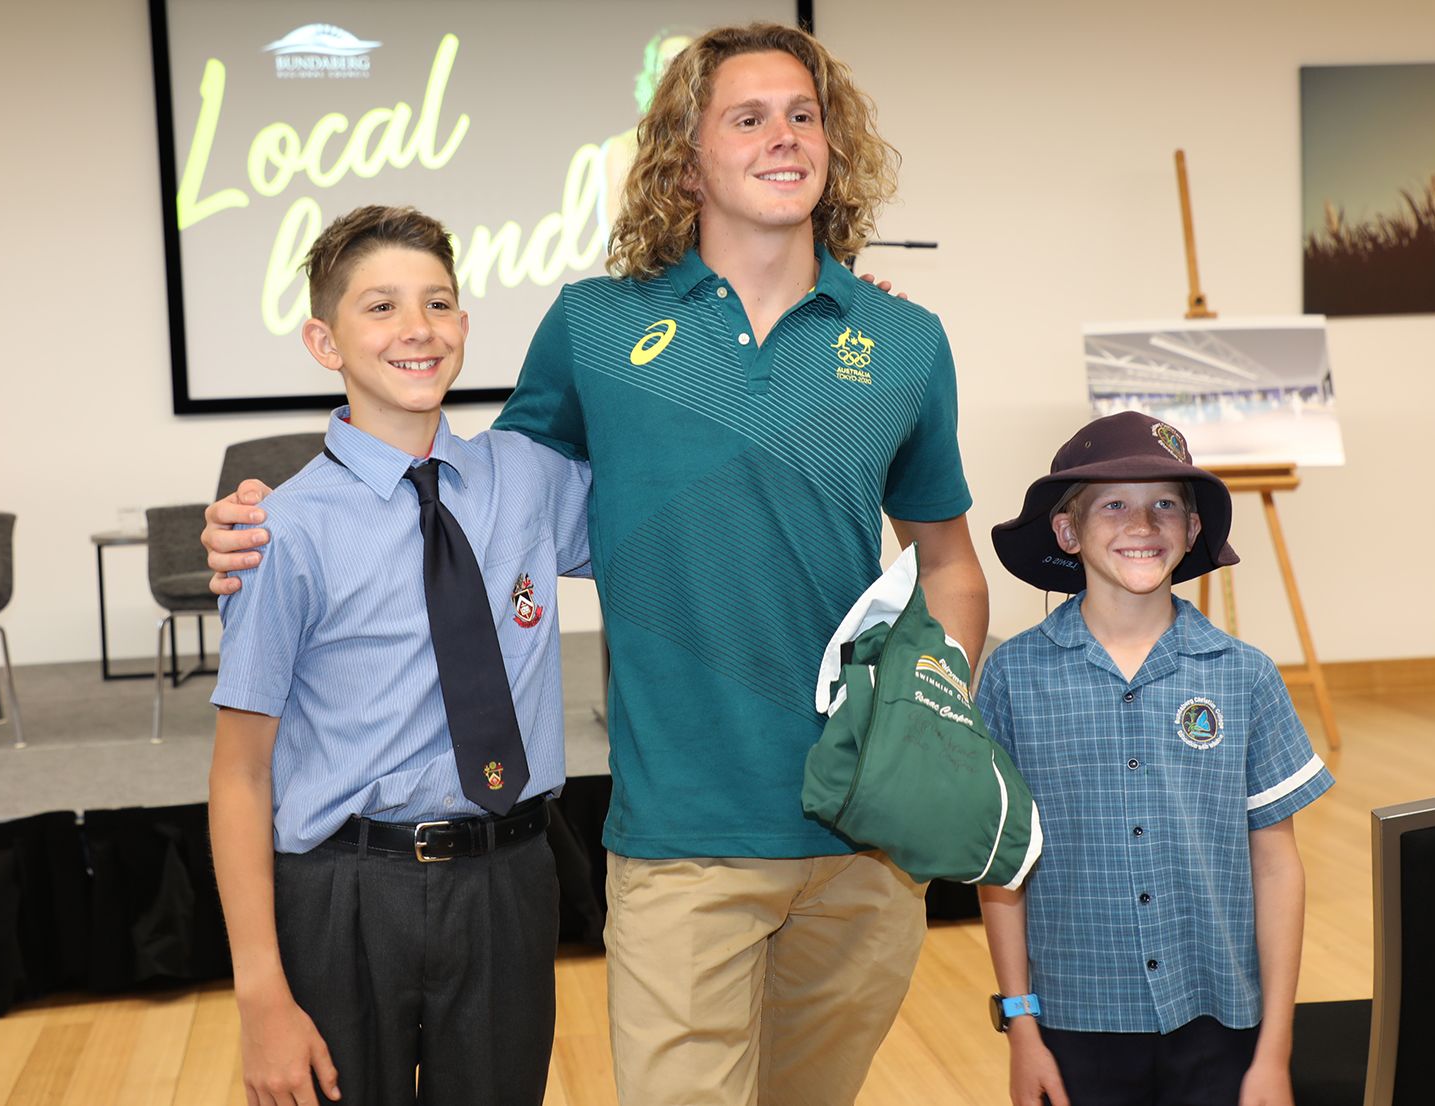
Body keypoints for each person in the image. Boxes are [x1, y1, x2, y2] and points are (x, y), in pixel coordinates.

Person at [205, 24, 987, 1106]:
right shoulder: (594, 327)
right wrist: (263, 518)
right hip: (672, 838)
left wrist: (929, 720)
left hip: (864, 838)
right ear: (685, 157)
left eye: (803, 115)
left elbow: (946, 563)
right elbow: (463, 492)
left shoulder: (902, 342)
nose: (783, 136)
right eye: (747, 117)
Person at [207, 205, 590, 1106]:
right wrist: (260, 996)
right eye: (380, 307)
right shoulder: (281, 529)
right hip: (343, 893)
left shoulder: (529, 477)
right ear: (324, 341)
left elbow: (680, 492)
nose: (417, 328)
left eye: (438, 303)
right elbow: (240, 773)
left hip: (508, 879)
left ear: (463, 324)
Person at [977, 410, 1333, 1106]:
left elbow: (1276, 865)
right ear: (1067, 531)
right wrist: (1022, 1028)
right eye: (1114, 504)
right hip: (1073, 1021)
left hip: (1221, 1019)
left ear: (1192, 530)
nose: (1142, 524)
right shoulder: (1013, 677)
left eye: (1165, 504)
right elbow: (1001, 867)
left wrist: (1275, 1050)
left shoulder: (1246, 675)